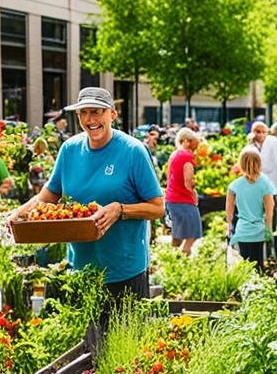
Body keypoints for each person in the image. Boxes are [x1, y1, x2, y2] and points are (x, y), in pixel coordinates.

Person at [12, 87, 164, 298]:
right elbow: (48, 197)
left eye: (96, 111)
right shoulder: (69, 150)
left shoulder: (132, 151)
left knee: (124, 331)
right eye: (83, 112)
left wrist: (120, 210)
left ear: (112, 114)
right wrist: (18, 214)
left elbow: (157, 207)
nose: (89, 119)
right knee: (85, 331)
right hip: (80, 270)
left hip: (124, 272)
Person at [225, 147, 275, 271]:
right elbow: (270, 209)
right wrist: (268, 229)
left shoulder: (234, 186)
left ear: (241, 164)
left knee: (245, 267)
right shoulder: (265, 184)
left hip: (243, 231)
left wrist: (229, 227)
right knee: (259, 265)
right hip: (259, 231)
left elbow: (229, 212)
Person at [165, 127, 202, 255]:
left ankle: (172, 258)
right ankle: (185, 254)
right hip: (183, 199)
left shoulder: (173, 154)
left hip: (171, 198)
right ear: (186, 141)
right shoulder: (187, 156)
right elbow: (188, 181)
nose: (193, 149)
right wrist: (193, 193)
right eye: (193, 144)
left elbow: (168, 175)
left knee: (177, 232)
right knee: (193, 231)